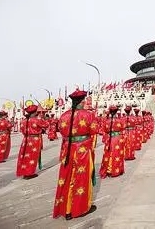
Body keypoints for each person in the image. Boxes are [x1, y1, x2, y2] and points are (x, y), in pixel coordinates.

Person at [53, 89, 99, 220]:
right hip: (82, 149)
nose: (85, 102)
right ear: (80, 102)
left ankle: (65, 209)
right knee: (81, 178)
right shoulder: (89, 115)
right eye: (84, 101)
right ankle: (79, 208)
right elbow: (95, 129)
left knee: (66, 177)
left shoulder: (64, 116)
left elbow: (61, 130)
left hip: (68, 149)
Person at [17, 105, 49, 178]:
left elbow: (22, 130)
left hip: (25, 139)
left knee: (25, 156)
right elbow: (46, 125)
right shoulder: (36, 120)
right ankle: (29, 173)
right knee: (32, 156)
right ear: (34, 112)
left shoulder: (24, 121)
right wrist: (43, 118)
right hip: (34, 140)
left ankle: (24, 172)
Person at [99, 105, 126, 178]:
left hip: (109, 138)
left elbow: (102, 131)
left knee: (108, 153)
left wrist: (105, 139)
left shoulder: (106, 121)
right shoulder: (120, 120)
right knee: (117, 154)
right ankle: (116, 169)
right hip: (117, 139)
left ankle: (108, 170)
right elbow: (123, 130)